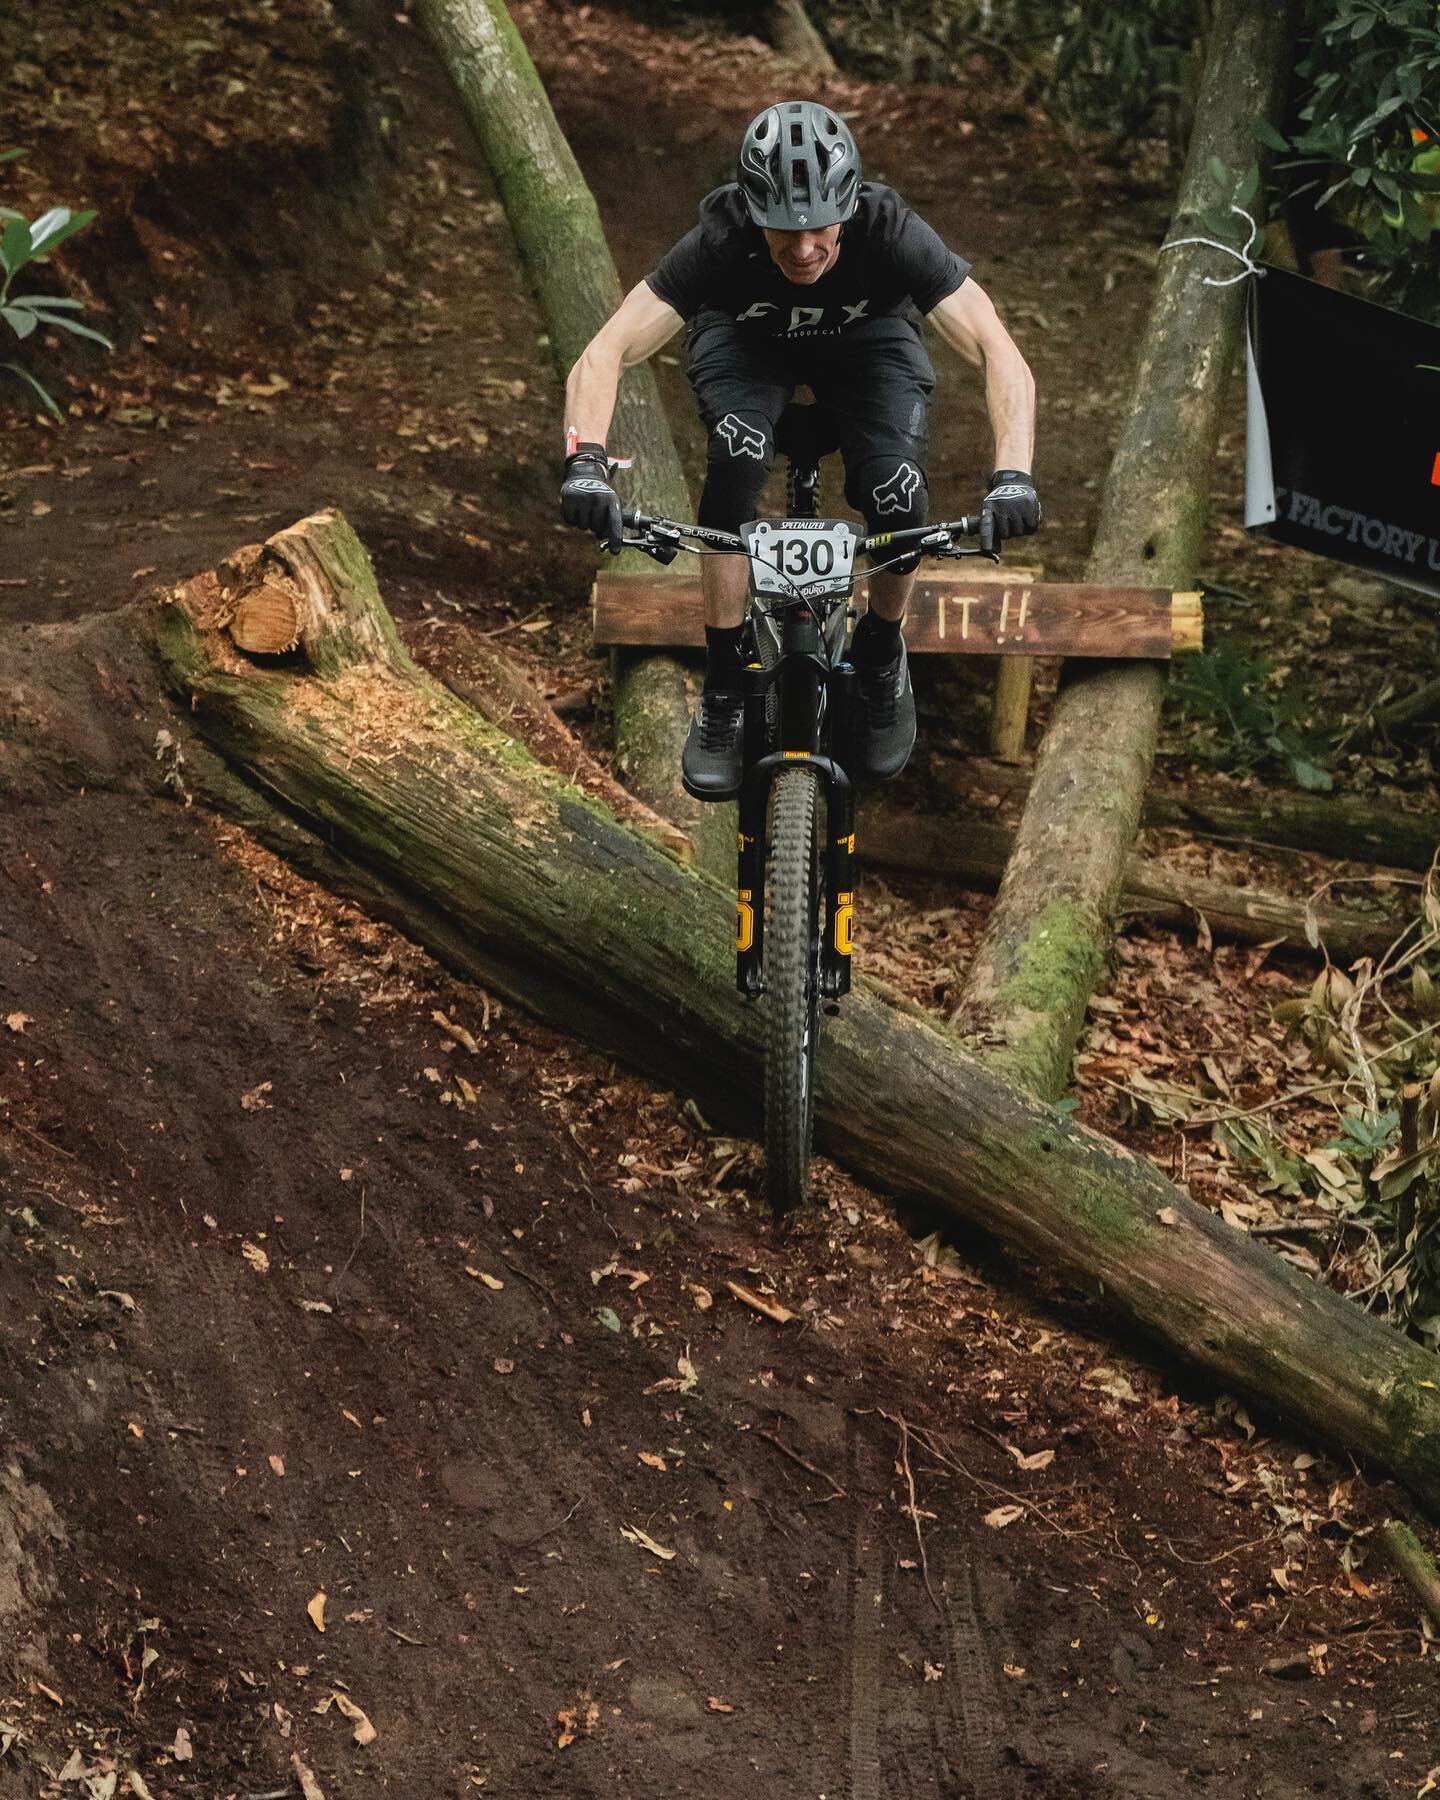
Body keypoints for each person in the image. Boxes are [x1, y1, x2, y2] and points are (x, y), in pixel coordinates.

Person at [561, 99, 1039, 799]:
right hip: (747, 346)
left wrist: (1013, 477)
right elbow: (604, 352)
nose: (805, 246)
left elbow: (999, 348)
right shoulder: (721, 240)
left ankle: (879, 652)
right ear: (754, 211)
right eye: (784, 229)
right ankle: (726, 682)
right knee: (737, 457)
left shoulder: (892, 232)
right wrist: (585, 464)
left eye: (820, 226)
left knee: (899, 492)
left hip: (869, 350)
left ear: (848, 205)